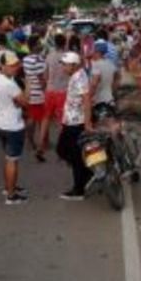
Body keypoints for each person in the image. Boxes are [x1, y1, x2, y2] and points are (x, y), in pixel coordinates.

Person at [0, 51, 29, 205]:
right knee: (12, 160)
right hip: (12, 126)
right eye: (11, 65)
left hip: (1, 124)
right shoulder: (9, 84)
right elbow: (24, 102)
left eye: (16, 65)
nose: (15, 68)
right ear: (2, 66)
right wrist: (28, 86)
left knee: (9, 158)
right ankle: (11, 195)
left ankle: (9, 187)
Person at [56, 51, 93, 201]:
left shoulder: (79, 78)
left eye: (65, 65)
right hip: (71, 120)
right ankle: (84, 176)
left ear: (73, 65)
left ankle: (79, 189)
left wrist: (88, 123)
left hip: (76, 122)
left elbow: (86, 100)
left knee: (71, 154)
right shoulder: (77, 75)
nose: (63, 68)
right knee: (67, 152)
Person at [39, 34, 69, 162]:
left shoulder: (49, 56)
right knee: (62, 122)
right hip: (62, 92)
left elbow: (45, 76)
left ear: (54, 43)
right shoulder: (67, 57)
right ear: (64, 43)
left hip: (49, 91)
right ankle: (62, 150)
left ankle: (40, 146)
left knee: (45, 119)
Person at [22, 35, 47, 162]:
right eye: (39, 43)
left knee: (31, 117)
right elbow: (41, 78)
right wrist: (45, 90)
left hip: (29, 91)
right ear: (34, 46)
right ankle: (40, 144)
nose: (41, 44)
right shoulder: (39, 60)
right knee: (42, 119)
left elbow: (27, 76)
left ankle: (30, 140)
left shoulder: (25, 59)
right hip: (39, 93)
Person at [90, 40, 117, 108]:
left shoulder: (96, 65)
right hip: (110, 100)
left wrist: (88, 97)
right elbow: (116, 80)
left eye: (94, 51)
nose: (92, 53)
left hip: (99, 101)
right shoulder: (110, 64)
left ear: (97, 52)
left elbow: (94, 84)